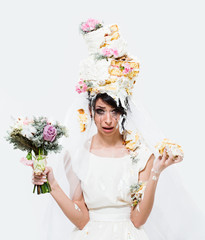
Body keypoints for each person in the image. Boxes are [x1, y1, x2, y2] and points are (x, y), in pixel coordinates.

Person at [32, 19, 205, 240]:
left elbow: (138, 220)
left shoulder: (141, 155)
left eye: (115, 112)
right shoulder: (75, 155)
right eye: (101, 111)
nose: (108, 120)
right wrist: (53, 185)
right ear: (90, 111)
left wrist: (155, 173)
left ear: (123, 113)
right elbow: (82, 218)